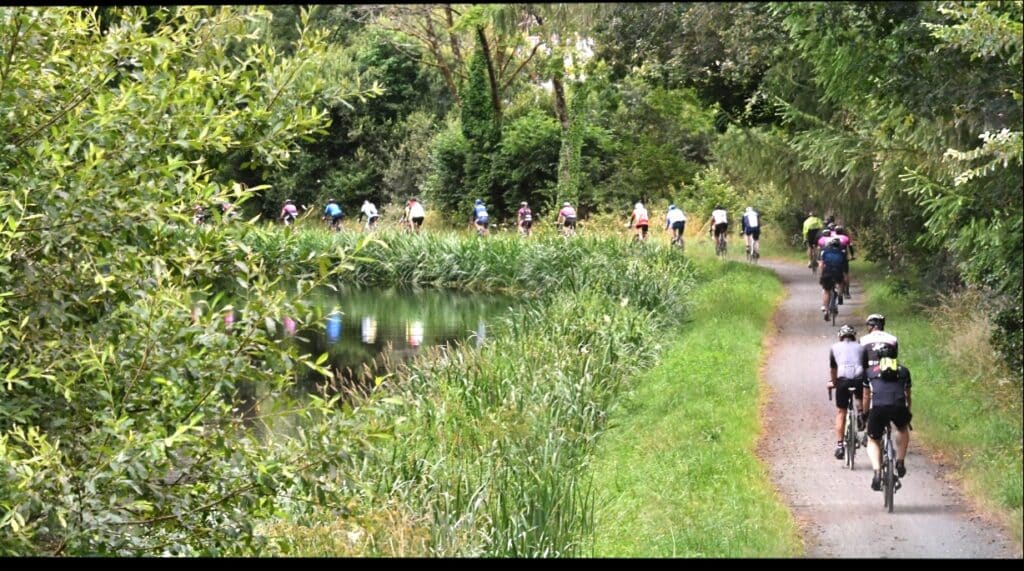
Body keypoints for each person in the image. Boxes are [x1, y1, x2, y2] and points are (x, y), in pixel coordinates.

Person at [862, 332, 912, 491]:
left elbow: (866, 396)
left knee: (872, 439)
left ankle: (877, 471)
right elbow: (907, 396)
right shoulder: (904, 371)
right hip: (898, 406)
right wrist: (907, 414)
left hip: (878, 408)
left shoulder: (870, 372)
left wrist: (865, 414)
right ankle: (900, 461)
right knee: (902, 429)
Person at [827, 324, 866, 460]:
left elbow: (833, 369)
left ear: (840, 336)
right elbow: (865, 367)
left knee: (841, 412)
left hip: (842, 380)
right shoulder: (861, 347)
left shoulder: (834, 348)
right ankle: (861, 413)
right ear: (854, 336)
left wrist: (834, 382)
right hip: (859, 379)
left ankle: (839, 446)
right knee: (859, 396)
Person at [818, 237, 847, 318]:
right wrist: (844, 276)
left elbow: (821, 265)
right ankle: (840, 294)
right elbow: (844, 267)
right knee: (841, 282)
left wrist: (822, 273)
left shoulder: (825, 252)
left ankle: (826, 310)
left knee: (826, 291)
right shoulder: (842, 253)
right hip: (837, 273)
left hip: (827, 273)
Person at [818, 228, 851, 297]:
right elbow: (849, 247)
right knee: (845, 274)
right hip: (841, 258)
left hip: (827, 262)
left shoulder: (822, 239)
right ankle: (846, 292)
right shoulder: (845, 238)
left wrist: (821, 273)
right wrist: (851, 256)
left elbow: (820, 249)